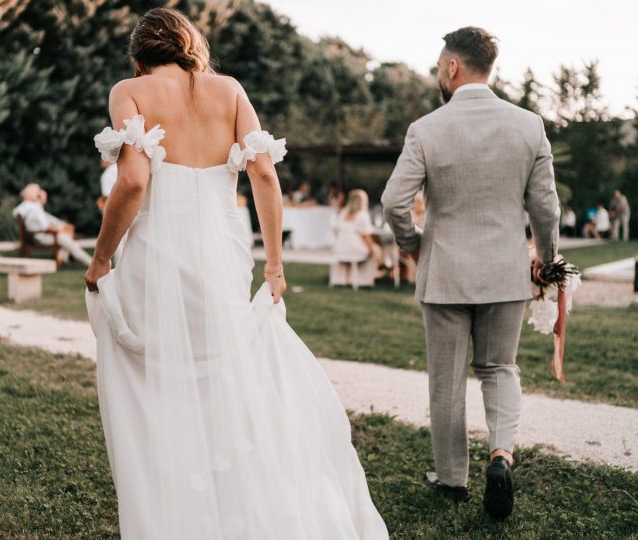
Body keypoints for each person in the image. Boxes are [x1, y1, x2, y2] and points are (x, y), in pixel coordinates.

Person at [84, 8, 387, 539]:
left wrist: (102, 258)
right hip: (222, 258)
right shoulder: (229, 90)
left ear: (139, 54)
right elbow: (264, 173)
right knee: (226, 383)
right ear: (189, 45)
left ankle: (177, 513)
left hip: (157, 254)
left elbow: (132, 182)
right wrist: (274, 262)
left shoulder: (128, 90)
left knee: (156, 389)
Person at [381, 27, 560, 522]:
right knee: (499, 368)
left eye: (440, 66)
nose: (440, 74)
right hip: (505, 273)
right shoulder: (529, 126)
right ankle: (501, 454)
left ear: (453, 67)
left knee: (447, 380)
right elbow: (546, 208)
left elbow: (394, 202)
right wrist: (545, 261)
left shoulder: (426, 129)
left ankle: (452, 478)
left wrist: (414, 246)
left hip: (445, 274)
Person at [11, 183, 92, 266]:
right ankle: (90, 263)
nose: (41, 195)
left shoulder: (26, 207)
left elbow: (49, 220)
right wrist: (60, 229)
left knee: (66, 235)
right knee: (69, 241)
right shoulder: (35, 208)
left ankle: (63, 258)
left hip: (35, 236)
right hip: (41, 238)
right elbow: (45, 227)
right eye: (39, 193)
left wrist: (61, 228)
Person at [330, 189, 382, 287]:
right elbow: (366, 237)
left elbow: (336, 231)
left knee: (373, 249)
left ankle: (343, 279)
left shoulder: (343, 213)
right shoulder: (362, 215)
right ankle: (365, 280)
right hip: (354, 249)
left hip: (340, 248)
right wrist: (373, 252)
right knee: (377, 249)